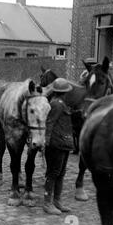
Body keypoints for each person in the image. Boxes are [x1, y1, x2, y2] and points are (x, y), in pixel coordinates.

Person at [43, 78, 74, 215]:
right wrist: (47, 141)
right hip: (56, 144)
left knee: (60, 173)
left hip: (63, 143)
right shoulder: (56, 104)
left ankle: (57, 200)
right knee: (53, 173)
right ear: (63, 92)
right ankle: (47, 203)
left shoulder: (61, 103)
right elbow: (50, 122)